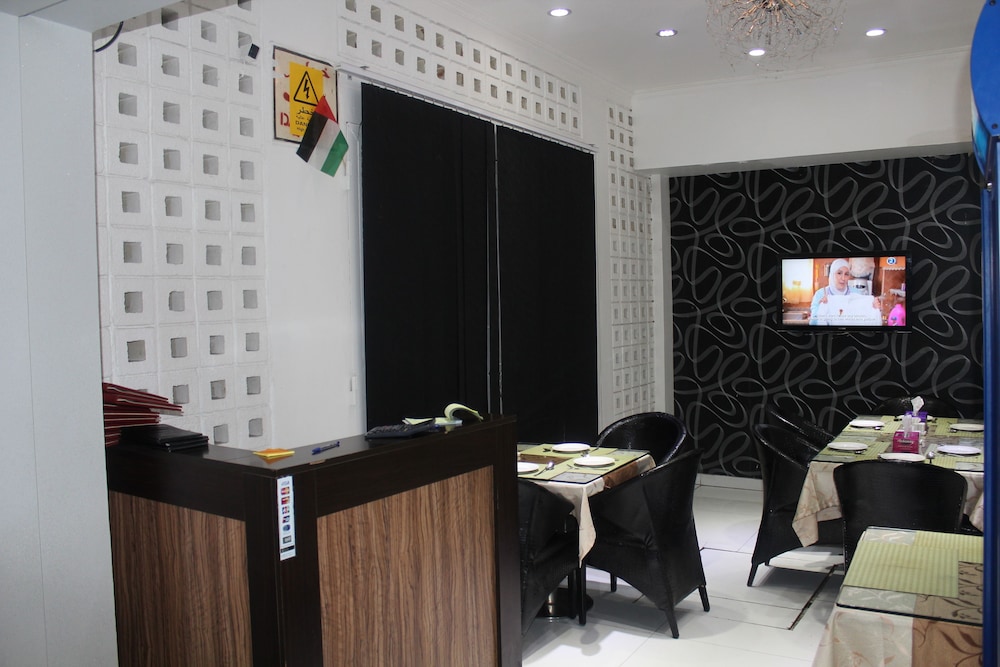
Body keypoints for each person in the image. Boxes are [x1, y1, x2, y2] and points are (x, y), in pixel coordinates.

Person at [810, 258, 881, 326]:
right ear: (832, 274)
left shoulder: (856, 293)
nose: (843, 278)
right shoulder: (821, 294)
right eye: (839, 273)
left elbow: (864, 316)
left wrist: (873, 307)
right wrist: (820, 308)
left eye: (846, 274)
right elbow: (813, 323)